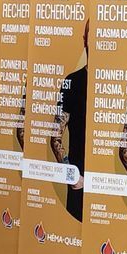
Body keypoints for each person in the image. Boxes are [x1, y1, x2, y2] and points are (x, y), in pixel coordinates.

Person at [52, 57, 87, 222]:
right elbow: (56, 135)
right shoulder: (74, 81)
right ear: (85, 39)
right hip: (79, 182)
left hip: (108, 189)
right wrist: (72, 175)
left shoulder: (119, 82)